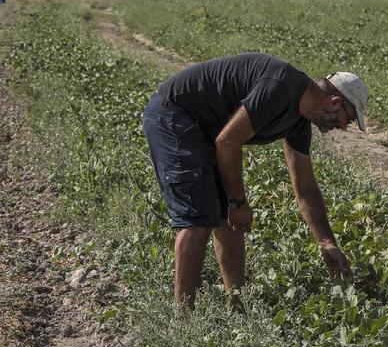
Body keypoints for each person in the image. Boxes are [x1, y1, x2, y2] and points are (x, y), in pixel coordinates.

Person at [142, 52, 368, 309]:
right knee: (198, 219)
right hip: (174, 115)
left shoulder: (299, 122)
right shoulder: (280, 86)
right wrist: (238, 202)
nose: (344, 126)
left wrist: (327, 243)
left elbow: (305, 188)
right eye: (348, 119)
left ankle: (236, 308)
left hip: (207, 129)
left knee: (230, 222)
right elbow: (227, 142)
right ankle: (182, 319)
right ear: (335, 102)